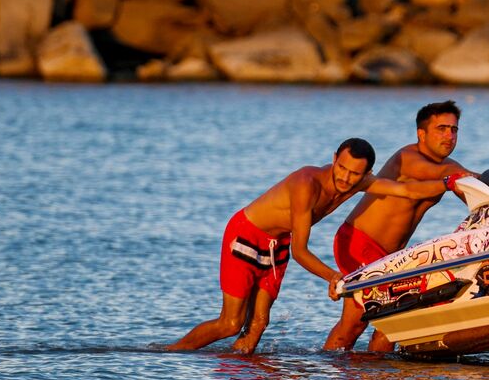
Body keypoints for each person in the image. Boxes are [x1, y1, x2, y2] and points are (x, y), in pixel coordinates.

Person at [168, 138, 448, 354]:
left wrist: (451, 183)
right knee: (231, 323)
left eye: (354, 175)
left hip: (276, 243)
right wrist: (333, 276)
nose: (345, 179)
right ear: (334, 159)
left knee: (257, 326)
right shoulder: (307, 184)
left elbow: (408, 190)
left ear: (366, 173)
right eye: (342, 168)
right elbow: (300, 251)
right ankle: (171, 355)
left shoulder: (359, 182)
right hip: (247, 235)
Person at [324, 101, 477, 353]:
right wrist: (460, 176)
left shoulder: (449, 169)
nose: (449, 136)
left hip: (390, 257)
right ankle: (334, 374)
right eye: (441, 129)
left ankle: (377, 379)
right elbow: (435, 172)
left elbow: (472, 195)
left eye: (454, 130)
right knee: (354, 324)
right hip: (359, 243)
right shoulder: (408, 158)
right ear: (421, 134)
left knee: (397, 321)